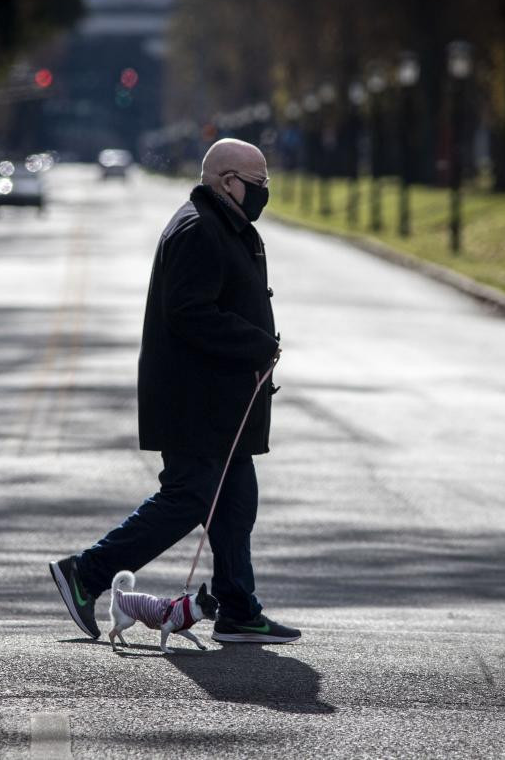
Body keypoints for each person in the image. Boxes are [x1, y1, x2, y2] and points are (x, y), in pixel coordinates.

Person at [50, 138, 301, 645]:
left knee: (235, 501)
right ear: (228, 182)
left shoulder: (227, 226)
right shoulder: (199, 229)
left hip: (221, 404)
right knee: (188, 497)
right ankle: (88, 573)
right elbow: (187, 312)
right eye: (258, 184)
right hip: (195, 403)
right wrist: (255, 342)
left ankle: (236, 608)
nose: (264, 193)